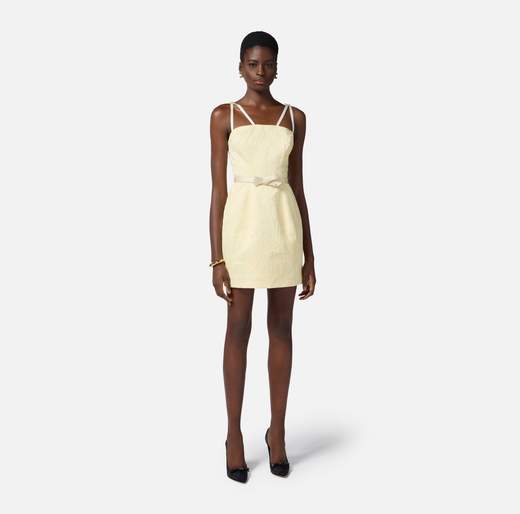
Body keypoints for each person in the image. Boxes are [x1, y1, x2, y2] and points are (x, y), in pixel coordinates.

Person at [209, 31, 316, 483]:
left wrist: (310, 254)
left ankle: (278, 433)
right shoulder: (224, 116)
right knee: (238, 329)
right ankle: (234, 434)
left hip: (283, 229)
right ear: (240, 67)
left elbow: (299, 186)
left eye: (268, 64)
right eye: (252, 64)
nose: (260, 72)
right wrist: (217, 258)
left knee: (281, 330)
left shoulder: (295, 117)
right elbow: (218, 191)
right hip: (241, 233)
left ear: (277, 67)